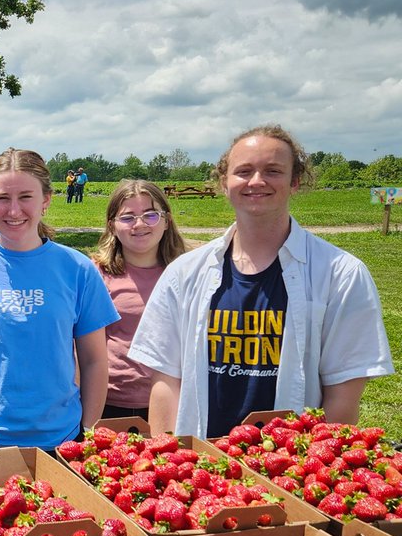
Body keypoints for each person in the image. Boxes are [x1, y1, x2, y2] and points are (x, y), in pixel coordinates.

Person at [130, 124, 393, 438]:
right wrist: (170, 460)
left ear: (295, 181)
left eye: (273, 170)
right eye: (243, 171)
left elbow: (343, 394)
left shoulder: (341, 274)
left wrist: (307, 471)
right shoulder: (183, 274)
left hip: (291, 468)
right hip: (198, 466)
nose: (257, 181)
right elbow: (166, 382)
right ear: (224, 183)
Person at [0, 149, 118, 450]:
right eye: (3, 198)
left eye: (26, 197)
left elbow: (94, 359)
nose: (14, 210)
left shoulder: (77, 269)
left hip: (60, 439)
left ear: (46, 200)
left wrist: (87, 431)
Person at [94, 180, 187, 421]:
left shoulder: (186, 274)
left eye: (150, 215)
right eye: (127, 217)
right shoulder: (97, 275)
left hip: (172, 400)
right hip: (109, 403)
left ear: (166, 221)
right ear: (112, 226)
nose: (139, 224)